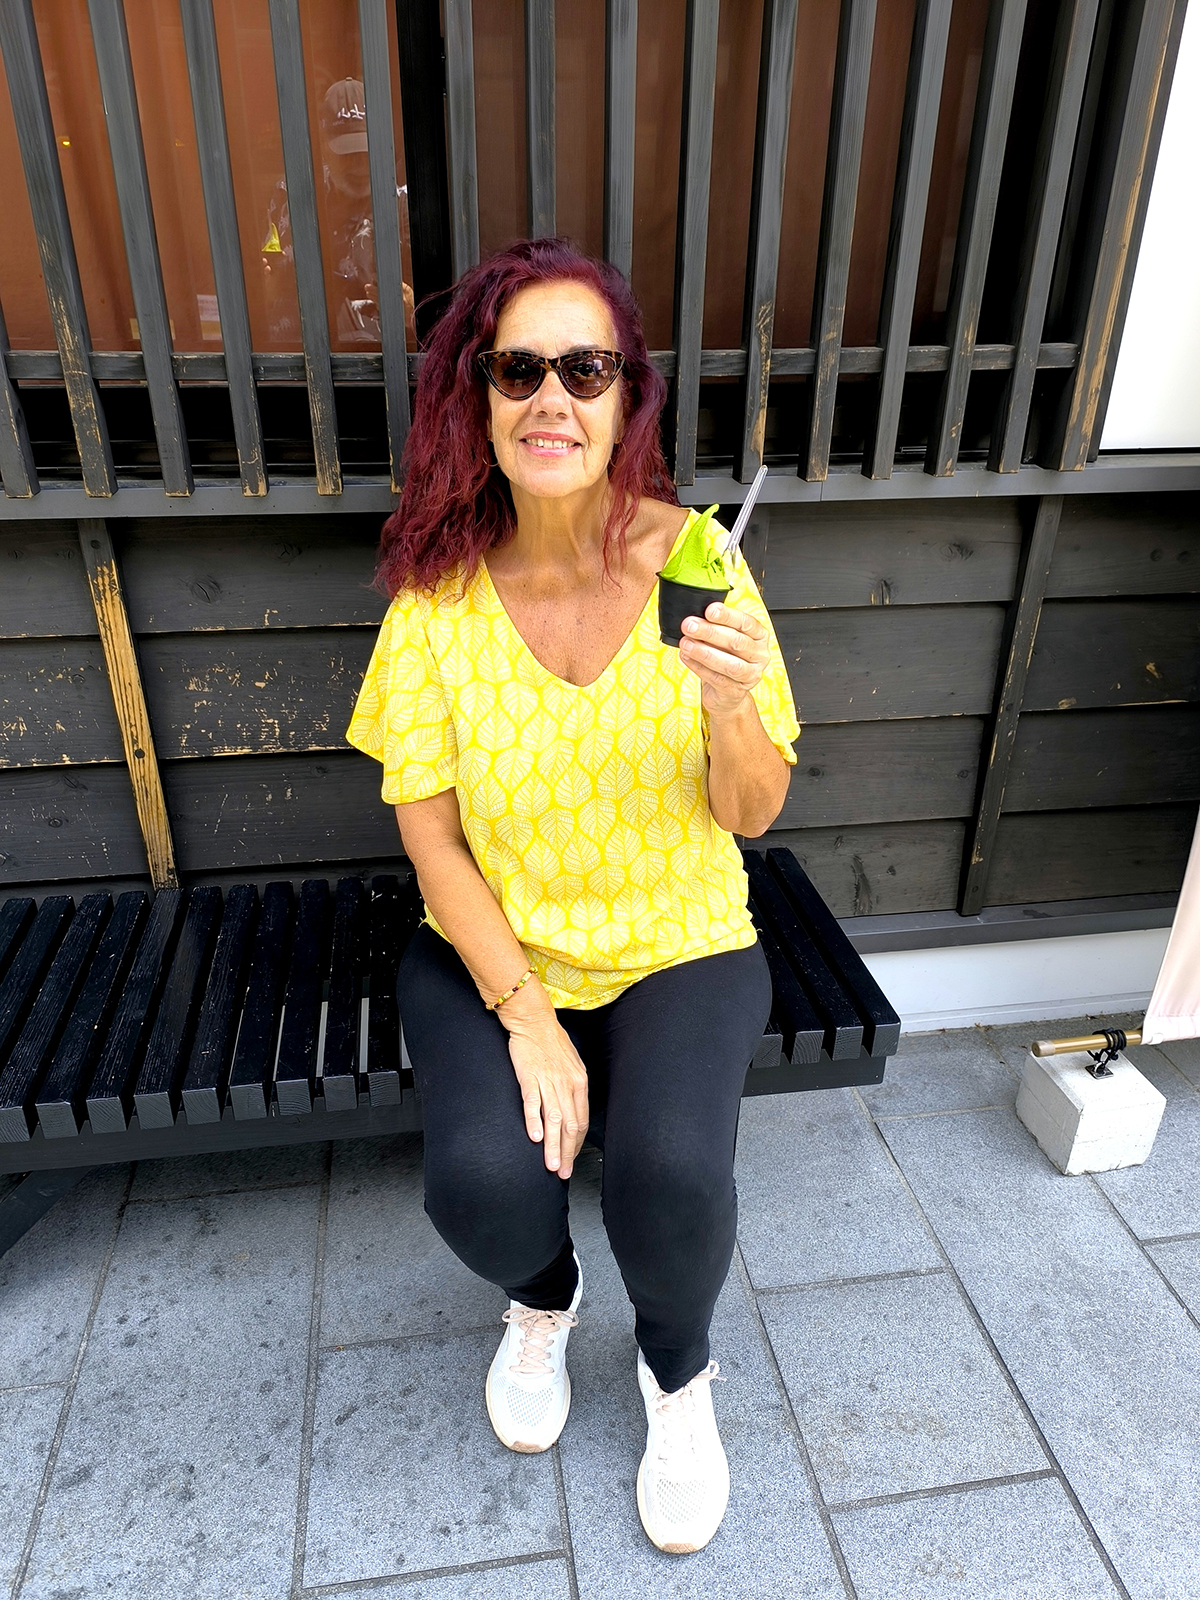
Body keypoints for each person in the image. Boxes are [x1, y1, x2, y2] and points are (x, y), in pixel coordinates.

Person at [346, 237, 799, 1554]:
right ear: (480, 399)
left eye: (585, 369)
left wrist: (728, 704)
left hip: (678, 939)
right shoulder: (437, 595)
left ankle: (677, 1369)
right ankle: (544, 1297)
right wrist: (530, 1017)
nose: (552, 398)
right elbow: (429, 835)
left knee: (672, 1177)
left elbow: (753, 813)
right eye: (519, 370)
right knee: (481, 1187)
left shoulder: (698, 560)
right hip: (497, 947)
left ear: (627, 396)